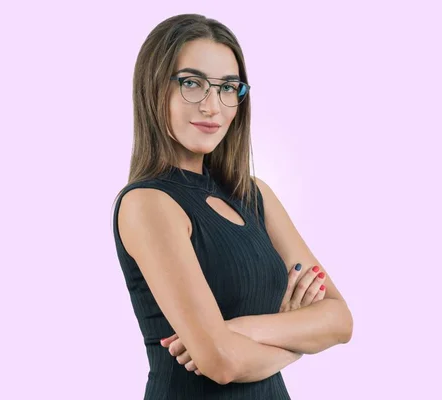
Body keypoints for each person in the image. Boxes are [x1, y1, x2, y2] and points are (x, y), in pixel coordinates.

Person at [111, 13, 353, 399]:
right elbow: (221, 363)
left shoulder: (255, 196)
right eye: (192, 83)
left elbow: (340, 320)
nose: (213, 106)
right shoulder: (148, 203)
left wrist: (241, 331)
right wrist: (298, 337)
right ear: (154, 88)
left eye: (228, 87)